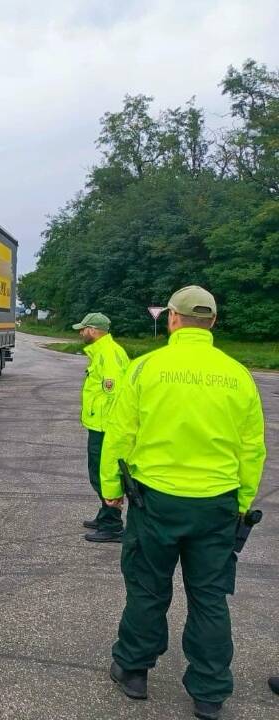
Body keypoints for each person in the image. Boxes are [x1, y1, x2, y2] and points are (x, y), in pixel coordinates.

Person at [100, 286, 265, 720]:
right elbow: (253, 448)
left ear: (172, 318)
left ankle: (133, 669)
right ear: (212, 322)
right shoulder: (238, 375)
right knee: (209, 597)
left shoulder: (145, 368)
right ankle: (209, 693)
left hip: (156, 502)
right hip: (217, 504)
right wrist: (243, 503)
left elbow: (120, 434)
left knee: (148, 587)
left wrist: (110, 488)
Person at [71, 312, 129, 543]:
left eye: (83, 329)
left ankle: (112, 524)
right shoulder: (104, 352)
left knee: (103, 475)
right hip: (101, 424)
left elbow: (113, 393)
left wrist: (111, 427)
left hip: (106, 427)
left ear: (93, 330)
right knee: (101, 473)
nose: (81, 333)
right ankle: (105, 514)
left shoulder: (108, 354)